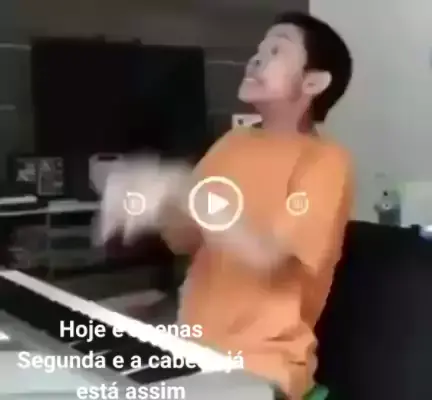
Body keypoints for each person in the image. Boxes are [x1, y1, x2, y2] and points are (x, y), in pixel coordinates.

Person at [97, 11, 353, 400]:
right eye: (258, 49)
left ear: (313, 82)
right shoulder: (232, 144)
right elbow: (184, 240)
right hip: (191, 349)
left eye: (276, 50)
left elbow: (269, 257)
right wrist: (157, 203)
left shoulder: (326, 161)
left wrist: (180, 187)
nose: (256, 58)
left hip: (263, 366)